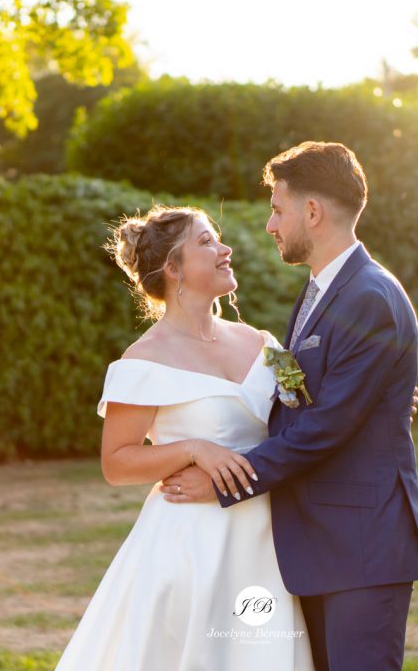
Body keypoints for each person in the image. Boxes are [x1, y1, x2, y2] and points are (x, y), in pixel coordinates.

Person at [160, 141, 418, 671]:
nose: (270, 225)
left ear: (313, 212)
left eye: (277, 209)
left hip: (361, 547)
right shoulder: (320, 292)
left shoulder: (368, 298)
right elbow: (301, 401)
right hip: (319, 544)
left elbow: (324, 428)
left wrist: (222, 479)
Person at [53, 205, 314, 670]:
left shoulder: (266, 344)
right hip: (190, 547)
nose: (225, 249)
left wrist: (383, 396)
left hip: (267, 542)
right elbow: (117, 463)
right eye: (207, 242)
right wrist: (195, 449)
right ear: (173, 269)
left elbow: (311, 409)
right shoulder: (142, 361)